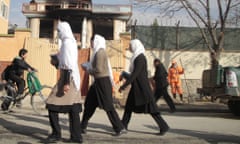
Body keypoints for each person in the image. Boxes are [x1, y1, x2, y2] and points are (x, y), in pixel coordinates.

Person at [119, 39, 169, 135]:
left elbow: (135, 74)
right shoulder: (136, 57)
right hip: (136, 88)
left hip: (142, 89)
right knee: (128, 108)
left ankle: (164, 126)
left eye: (130, 46)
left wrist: (124, 86)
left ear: (135, 46)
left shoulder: (140, 58)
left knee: (152, 109)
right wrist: (125, 75)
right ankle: (123, 126)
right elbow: (133, 74)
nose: (129, 47)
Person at [80, 34, 126, 136]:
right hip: (98, 83)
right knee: (89, 104)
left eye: (91, 41)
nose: (90, 44)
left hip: (103, 83)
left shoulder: (100, 53)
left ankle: (119, 128)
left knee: (108, 106)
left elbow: (99, 70)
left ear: (95, 41)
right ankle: (82, 127)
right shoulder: (97, 53)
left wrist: (88, 70)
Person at [46, 21, 83, 143]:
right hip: (73, 78)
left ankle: (56, 134)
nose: (58, 33)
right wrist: (56, 61)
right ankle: (76, 137)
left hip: (68, 78)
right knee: (73, 109)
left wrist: (66, 83)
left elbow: (67, 65)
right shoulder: (70, 43)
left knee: (51, 103)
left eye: (59, 31)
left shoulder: (67, 43)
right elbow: (64, 62)